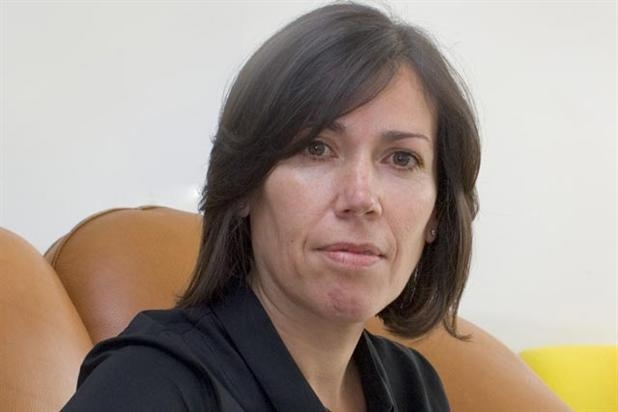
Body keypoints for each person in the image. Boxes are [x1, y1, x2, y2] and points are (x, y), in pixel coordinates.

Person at [62, 2, 480, 411]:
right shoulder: (148, 382)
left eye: (402, 159)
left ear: (438, 213)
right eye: (316, 148)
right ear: (245, 184)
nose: (361, 198)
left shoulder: (415, 387)